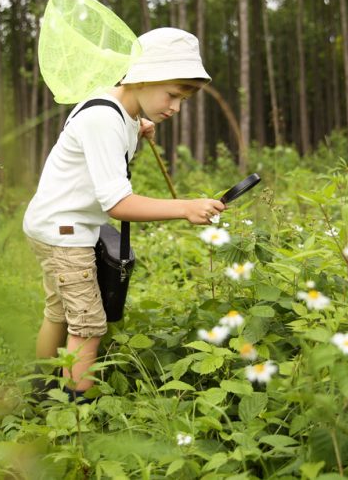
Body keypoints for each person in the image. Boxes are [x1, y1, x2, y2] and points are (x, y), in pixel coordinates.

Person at [23, 27, 226, 401]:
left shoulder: (121, 109)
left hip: (51, 222)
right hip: (65, 232)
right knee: (88, 325)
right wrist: (185, 208)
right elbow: (118, 204)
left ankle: (41, 388)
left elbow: (116, 130)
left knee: (59, 312)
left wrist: (137, 122)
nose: (175, 108)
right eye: (172, 95)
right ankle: (75, 407)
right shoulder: (104, 120)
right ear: (144, 77)